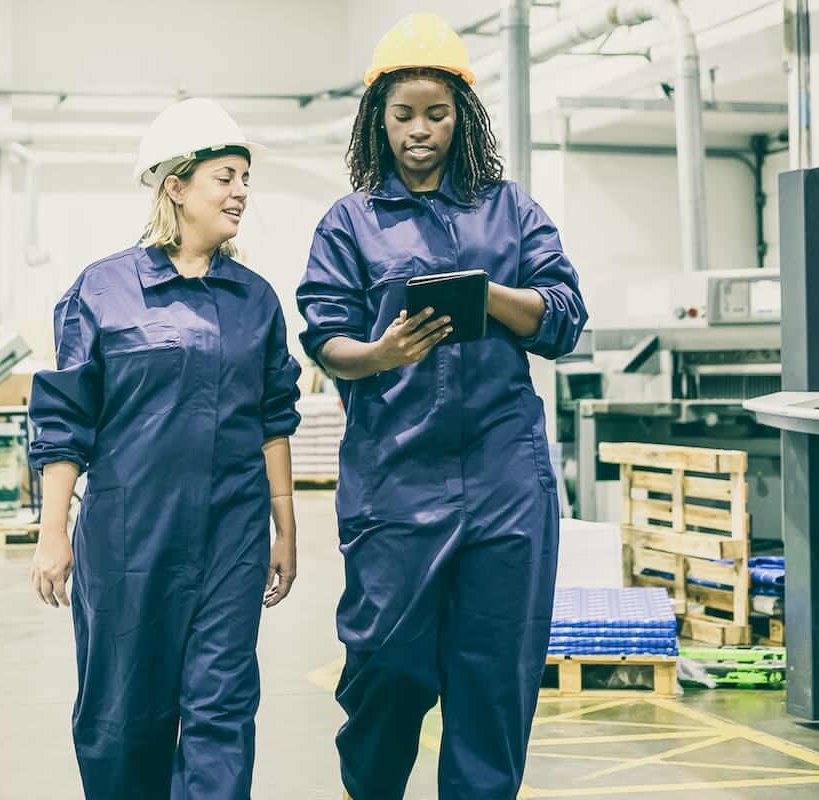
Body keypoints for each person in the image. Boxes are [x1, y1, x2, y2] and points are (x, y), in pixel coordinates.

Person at [296, 13, 588, 800]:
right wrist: (380, 354)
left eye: (436, 113)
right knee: (385, 664)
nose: (419, 131)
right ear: (376, 119)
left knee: (494, 675)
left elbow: (564, 317)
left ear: (463, 117)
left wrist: (490, 296)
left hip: (504, 475)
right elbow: (323, 336)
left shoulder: (511, 210)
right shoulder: (351, 223)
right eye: (402, 115)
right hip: (395, 477)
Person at [27, 97, 302, 800]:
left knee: (222, 706)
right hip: (128, 535)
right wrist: (52, 532)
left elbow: (275, 416)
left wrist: (286, 527)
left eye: (245, 177)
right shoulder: (104, 289)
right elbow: (65, 420)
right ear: (175, 186)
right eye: (224, 177)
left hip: (231, 532)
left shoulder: (255, 299)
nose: (241, 191)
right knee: (122, 712)